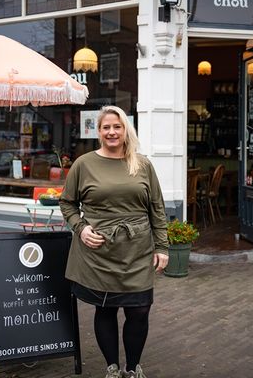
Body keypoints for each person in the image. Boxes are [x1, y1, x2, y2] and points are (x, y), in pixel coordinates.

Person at [60, 105, 169, 378]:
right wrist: (81, 228)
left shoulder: (142, 164)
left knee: (140, 310)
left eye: (117, 127)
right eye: (106, 127)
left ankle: (132, 368)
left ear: (125, 130)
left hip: (137, 250)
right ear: (98, 132)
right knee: (105, 309)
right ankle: (112, 367)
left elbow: (157, 207)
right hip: (99, 250)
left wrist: (162, 246)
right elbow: (67, 203)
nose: (112, 132)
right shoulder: (84, 164)